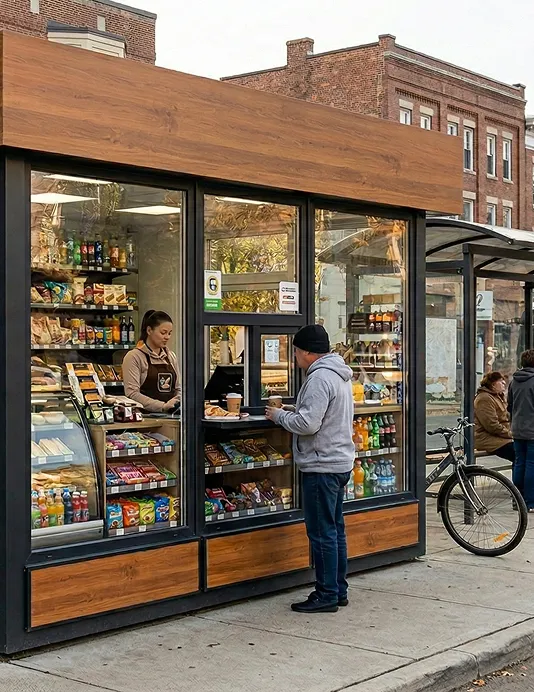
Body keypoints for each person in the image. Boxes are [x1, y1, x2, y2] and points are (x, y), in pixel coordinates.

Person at [266, 324, 354, 613]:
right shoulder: (338, 374)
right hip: (338, 462)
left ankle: (326, 594)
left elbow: (308, 424)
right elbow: (319, 415)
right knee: (335, 529)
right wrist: (293, 410)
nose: (294, 358)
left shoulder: (318, 379)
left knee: (321, 533)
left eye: (295, 352)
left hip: (321, 465)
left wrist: (279, 415)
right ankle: (338, 589)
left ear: (305, 352)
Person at [122, 310, 180, 413]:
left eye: (170, 333)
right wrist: (162, 406)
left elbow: (179, 388)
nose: (167, 337)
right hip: (144, 420)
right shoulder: (134, 357)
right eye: (163, 333)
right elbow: (132, 394)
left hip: (171, 417)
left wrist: (176, 401)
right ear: (149, 330)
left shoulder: (171, 357)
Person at [508, 350, 534, 512]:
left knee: (519, 463)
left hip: (517, 429)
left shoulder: (514, 381)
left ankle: (517, 499)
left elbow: (510, 405)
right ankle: (530, 502)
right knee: (531, 464)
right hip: (532, 430)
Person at [474, 371, 514, 463]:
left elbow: (506, 416)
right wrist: (510, 434)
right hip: (487, 439)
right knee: (520, 454)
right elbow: (492, 425)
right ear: (493, 384)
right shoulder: (484, 398)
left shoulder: (497, 397)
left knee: (524, 451)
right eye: (500, 381)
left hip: (499, 437)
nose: (504, 383)